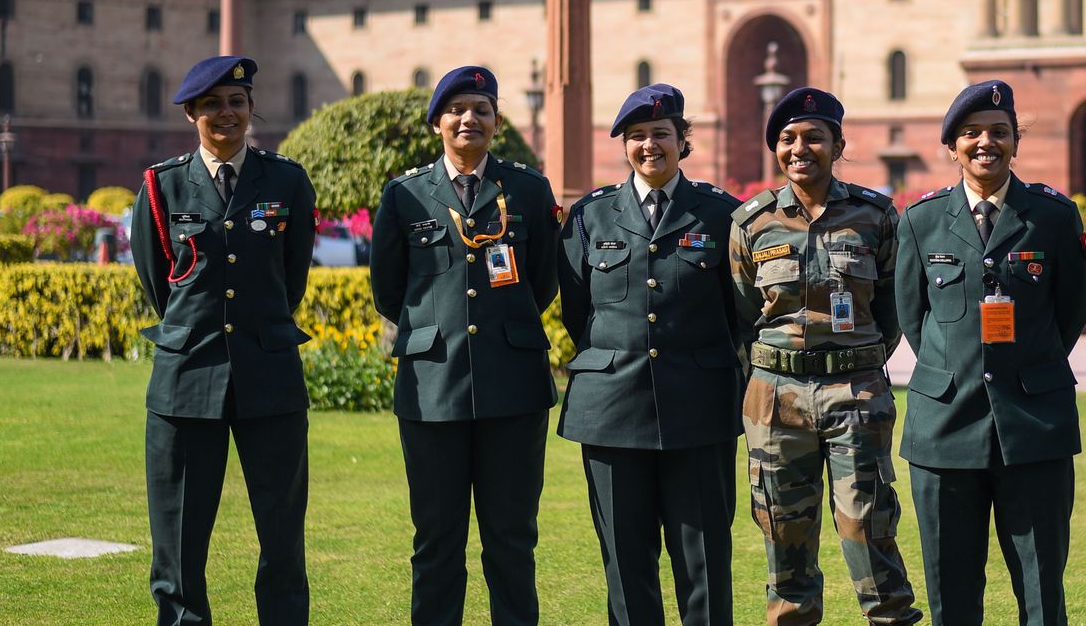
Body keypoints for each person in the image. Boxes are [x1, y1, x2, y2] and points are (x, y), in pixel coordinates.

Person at [370, 65, 561, 626]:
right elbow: (389, 288)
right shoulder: (405, 194)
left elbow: (543, 281)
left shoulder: (528, 189)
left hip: (513, 386)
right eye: (455, 110)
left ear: (497, 122)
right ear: (437, 124)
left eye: (480, 109)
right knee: (435, 540)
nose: (468, 119)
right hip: (433, 386)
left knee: (512, 542)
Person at [130, 55, 317, 626]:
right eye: (212, 104)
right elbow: (156, 279)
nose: (226, 113)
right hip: (187, 379)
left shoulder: (287, 180)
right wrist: (198, 332)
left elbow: (292, 277)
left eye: (237, 101)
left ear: (252, 108)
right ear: (191, 113)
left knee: (282, 539)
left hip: (270, 378)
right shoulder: (162, 185)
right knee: (179, 546)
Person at [896, 80, 1086, 626]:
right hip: (945, 428)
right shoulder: (921, 220)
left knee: (1041, 590)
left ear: (1015, 143)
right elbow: (915, 320)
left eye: (999, 133)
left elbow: (1070, 314)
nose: (987, 143)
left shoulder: (1053, 216)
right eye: (972, 133)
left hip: (1034, 426)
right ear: (952, 145)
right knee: (951, 593)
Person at [729, 86, 921, 626]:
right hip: (775, 401)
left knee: (869, 529)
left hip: (855, 395)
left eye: (814, 137)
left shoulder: (875, 215)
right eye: (787, 139)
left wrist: (856, 362)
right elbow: (745, 313)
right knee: (783, 537)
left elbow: (892, 305)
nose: (799, 148)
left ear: (838, 144)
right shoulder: (751, 222)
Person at [558, 83, 744, 626]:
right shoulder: (592, 216)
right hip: (612, 410)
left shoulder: (722, 215)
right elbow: (578, 312)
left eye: (660, 134)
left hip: (699, 409)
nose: (648, 146)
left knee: (705, 563)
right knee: (625, 563)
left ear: (682, 140)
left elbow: (740, 311)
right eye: (636, 136)